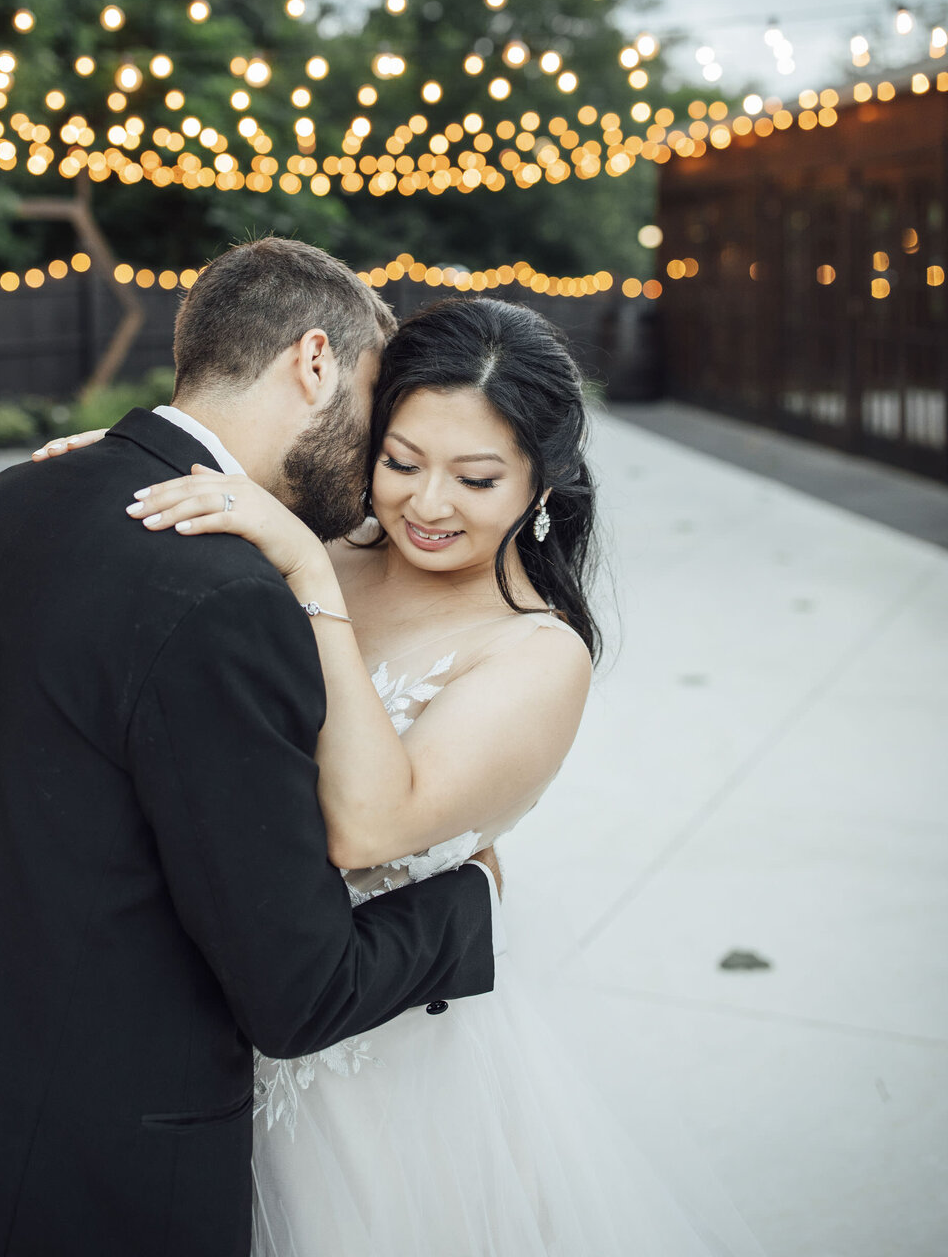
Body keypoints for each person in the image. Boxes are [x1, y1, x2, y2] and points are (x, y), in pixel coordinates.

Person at [47, 289, 770, 1257]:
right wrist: (136, 460)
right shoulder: (332, 545)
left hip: (382, 1061)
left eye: (476, 479)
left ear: (539, 487)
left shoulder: (535, 654)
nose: (427, 506)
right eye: (401, 462)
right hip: (216, 1012)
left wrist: (306, 572)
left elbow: (370, 822)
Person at [0, 238, 502, 1257]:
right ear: (314, 363)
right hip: (83, 1185)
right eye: (374, 404)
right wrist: (473, 899)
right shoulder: (226, 596)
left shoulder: (15, 498)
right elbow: (300, 991)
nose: (377, 469)